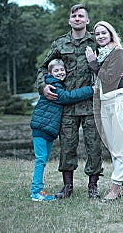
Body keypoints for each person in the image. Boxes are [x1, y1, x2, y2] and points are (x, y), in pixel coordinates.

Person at [35, 4, 123, 199]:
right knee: (67, 146)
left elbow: (118, 57)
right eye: (74, 16)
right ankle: (67, 187)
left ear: (87, 20)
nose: (77, 18)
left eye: (81, 16)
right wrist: (43, 87)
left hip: (92, 105)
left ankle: (92, 186)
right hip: (67, 105)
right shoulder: (60, 44)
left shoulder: (96, 42)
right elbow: (43, 68)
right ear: (70, 20)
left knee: (94, 146)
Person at [30, 59, 95, 202]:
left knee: (43, 159)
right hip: (41, 128)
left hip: (48, 130)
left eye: (62, 70)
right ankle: (36, 192)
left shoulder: (58, 84)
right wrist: (91, 89)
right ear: (49, 73)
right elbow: (68, 97)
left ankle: (38, 189)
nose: (60, 73)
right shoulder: (52, 86)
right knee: (40, 160)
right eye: (56, 71)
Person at [85, 21, 123, 201]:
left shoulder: (117, 52)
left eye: (103, 33)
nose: (100, 37)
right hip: (105, 102)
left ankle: (115, 188)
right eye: (97, 34)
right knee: (115, 147)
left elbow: (109, 79)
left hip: (120, 100)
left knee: (121, 146)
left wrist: (93, 64)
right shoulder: (99, 54)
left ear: (111, 34)